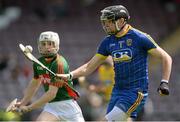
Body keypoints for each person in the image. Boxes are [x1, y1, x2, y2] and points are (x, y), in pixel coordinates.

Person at [57, 5, 172, 121]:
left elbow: (166, 57)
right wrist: (69, 75)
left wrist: (164, 82)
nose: (105, 25)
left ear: (121, 21)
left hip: (135, 92)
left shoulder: (140, 38)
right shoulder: (107, 42)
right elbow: (88, 67)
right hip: (117, 93)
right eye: (104, 22)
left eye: (109, 22)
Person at [9, 31, 85, 121]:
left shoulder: (59, 63)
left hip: (67, 106)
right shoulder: (38, 63)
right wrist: (23, 102)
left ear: (56, 45)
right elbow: (34, 83)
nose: (46, 47)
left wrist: (30, 107)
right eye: (43, 44)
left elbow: (51, 94)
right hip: (52, 107)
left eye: (50, 44)